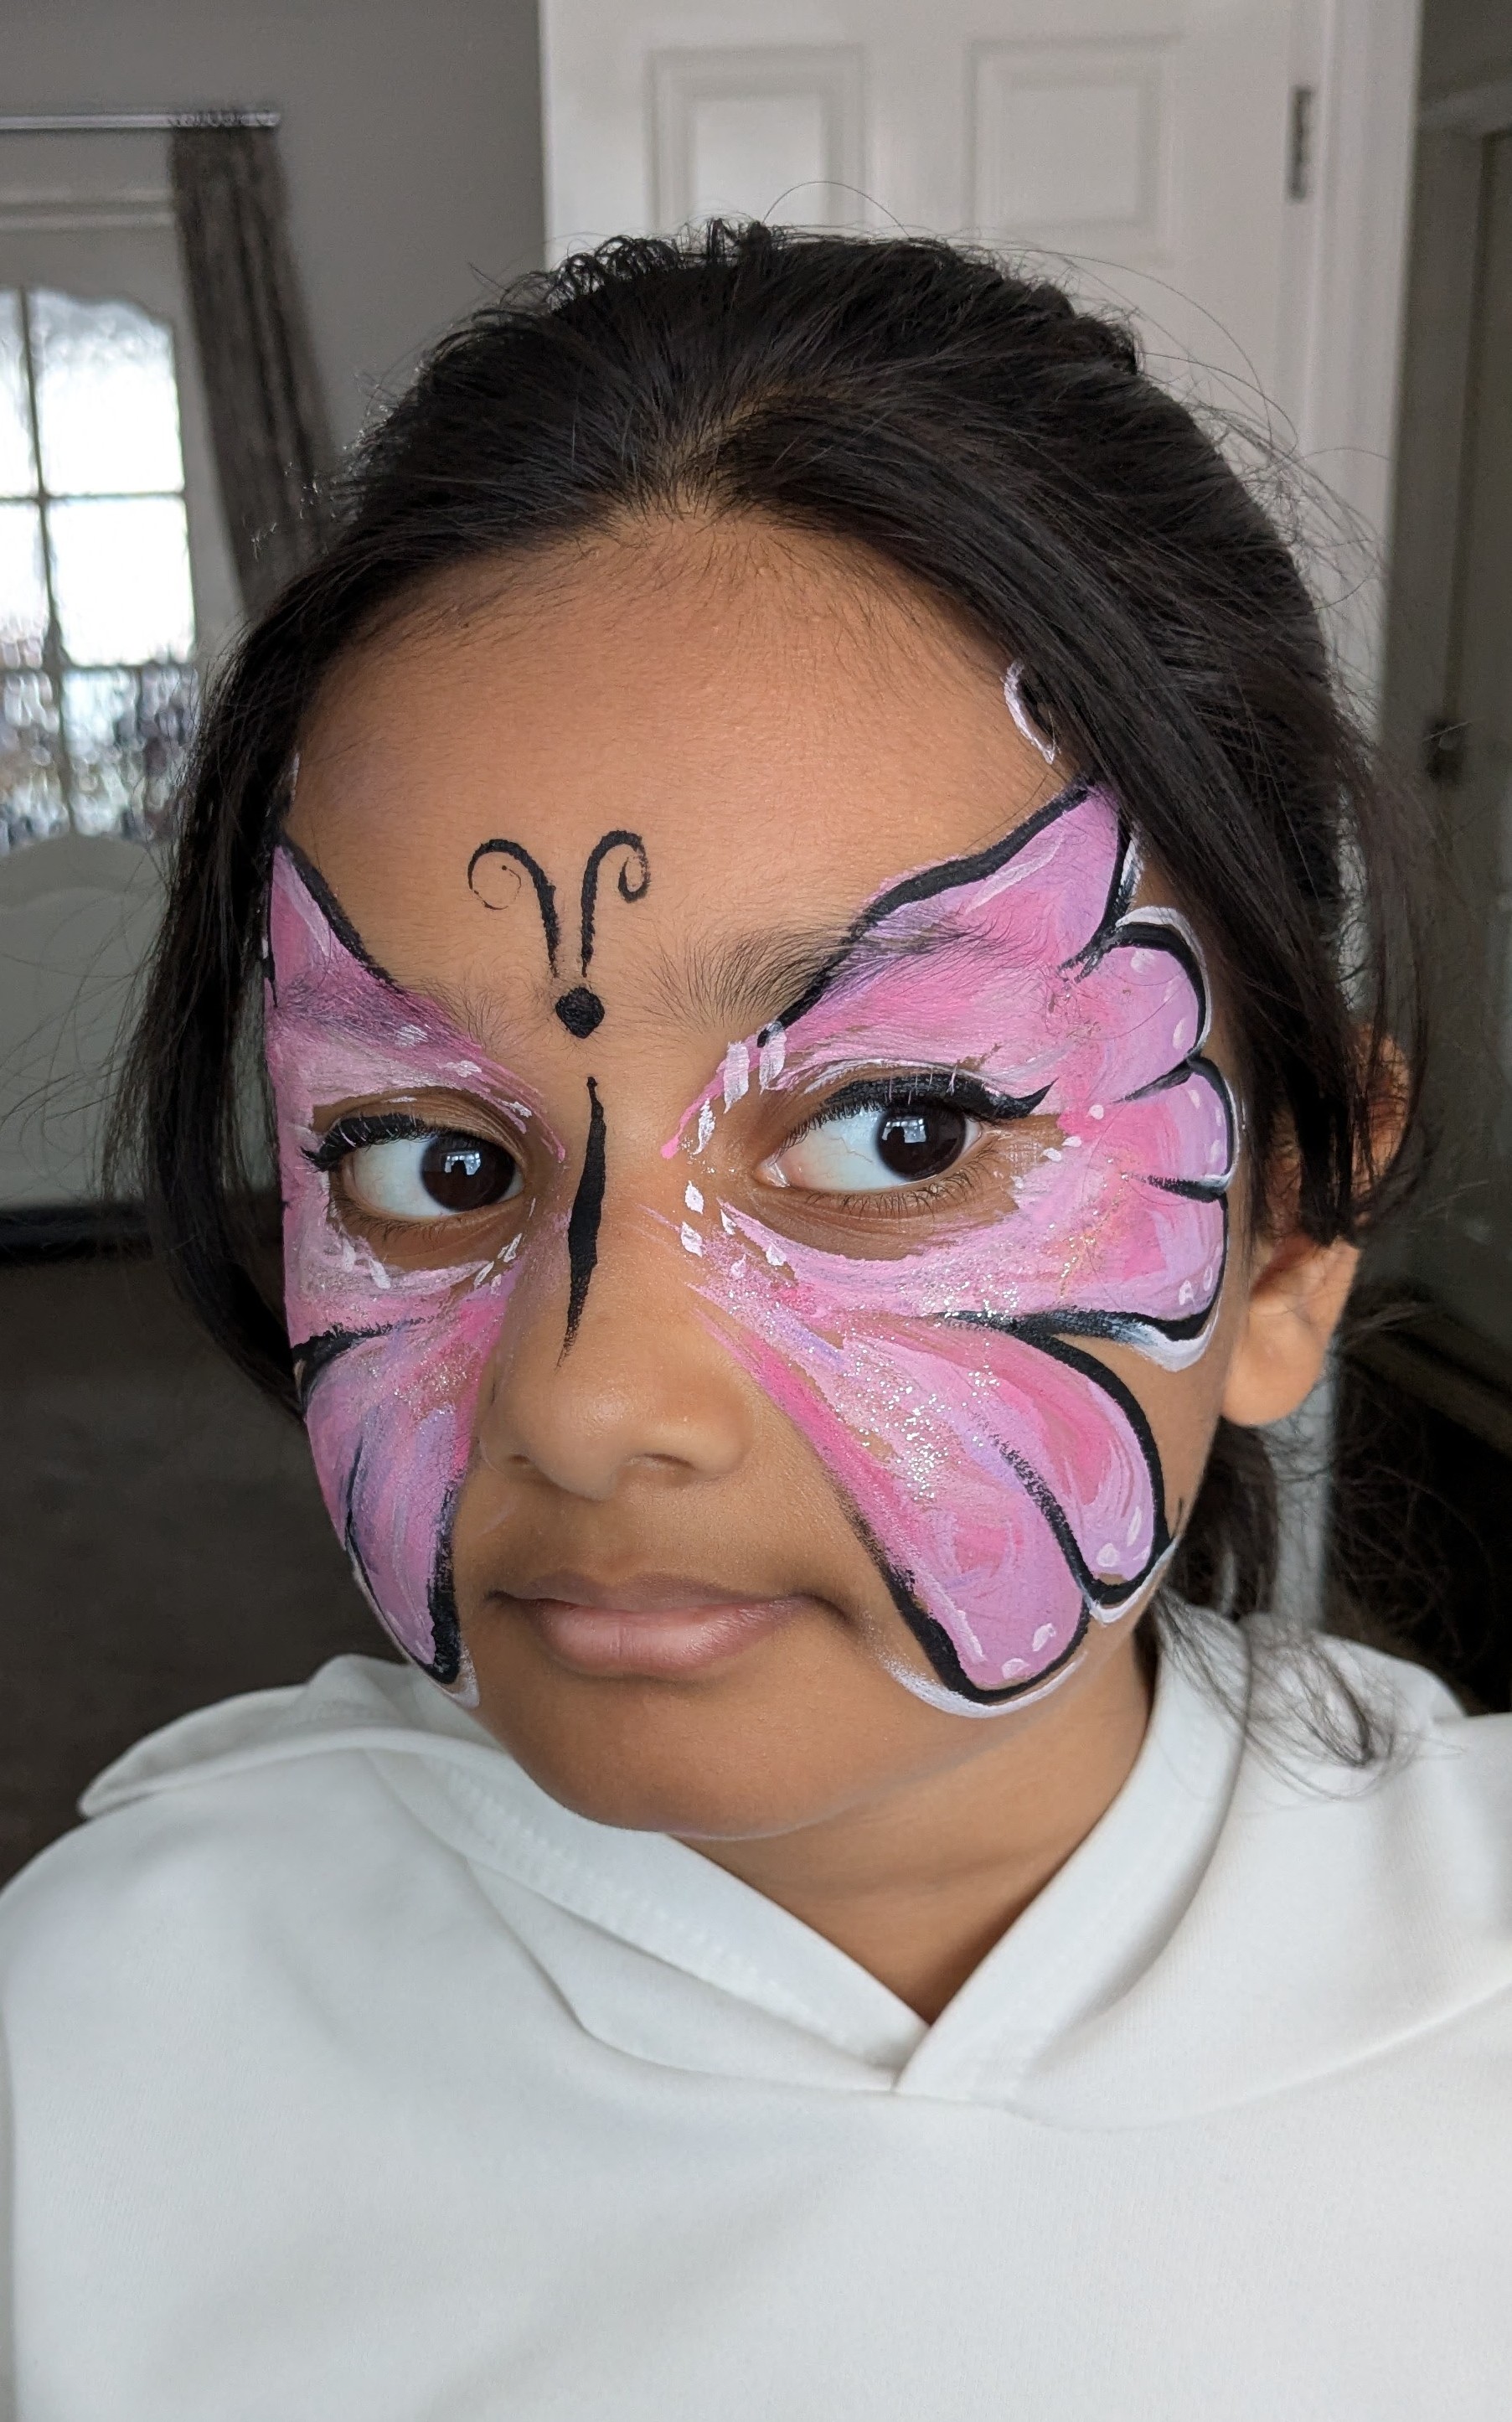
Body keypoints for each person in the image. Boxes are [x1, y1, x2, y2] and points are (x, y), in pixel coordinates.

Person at [2, 224, 1506, 2420]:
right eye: (434, 1161)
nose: (590, 1402)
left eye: (900, 1133)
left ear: (1291, 1228)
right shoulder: (81, 2069)